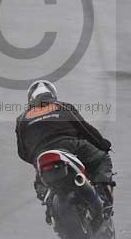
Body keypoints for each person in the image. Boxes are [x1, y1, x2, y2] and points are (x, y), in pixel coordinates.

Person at [15, 80, 115, 221]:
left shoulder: (22, 119)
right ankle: (103, 200)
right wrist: (103, 144)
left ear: (31, 99)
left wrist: (36, 156)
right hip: (70, 146)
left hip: (41, 156)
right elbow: (85, 129)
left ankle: (49, 206)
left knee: (40, 183)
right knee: (101, 159)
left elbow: (22, 152)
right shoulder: (63, 107)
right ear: (52, 95)